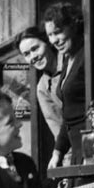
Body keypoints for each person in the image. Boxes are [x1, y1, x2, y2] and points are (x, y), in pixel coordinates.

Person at [43, 2, 86, 168]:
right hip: (77, 150)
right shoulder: (68, 58)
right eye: (50, 35)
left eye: (58, 32)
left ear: (73, 26)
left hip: (89, 149)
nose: (54, 40)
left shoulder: (85, 55)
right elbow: (69, 115)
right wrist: (57, 152)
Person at [16, 26, 63, 158]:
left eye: (35, 48)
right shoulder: (42, 88)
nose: (33, 57)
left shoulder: (70, 61)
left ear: (48, 42)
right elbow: (58, 130)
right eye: (27, 54)